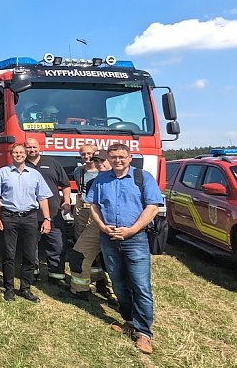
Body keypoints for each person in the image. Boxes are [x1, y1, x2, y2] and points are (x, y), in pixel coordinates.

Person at [86, 143, 162, 355]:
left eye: (121, 157)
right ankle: (129, 321)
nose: (117, 160)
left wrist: (132, 230)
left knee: (140, 285)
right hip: (109, 239)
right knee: (118, 282)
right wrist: (102, 226)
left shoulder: (142, 177)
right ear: (108, 159)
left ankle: (144, 333)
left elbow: (153, 206)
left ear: (129, 158)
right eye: (113, 157)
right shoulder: (101, 179)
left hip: (135, 239)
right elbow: (93, 205)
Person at [0, 143, 52, 303]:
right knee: (9, 255)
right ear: (11, 155)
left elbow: (43, 198)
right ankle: (9, 288)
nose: (18, 155)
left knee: (30, 255)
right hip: (8, 217)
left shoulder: (35, 174)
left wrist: (47, 219)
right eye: (15, 152)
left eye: (21, 152)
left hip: (30, 218)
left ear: (26, 155)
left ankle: (25, 288)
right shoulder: (2, 173)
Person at [67, 150, 116, 304]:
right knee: (78, 254)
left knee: (114, 261)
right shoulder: (95, 181)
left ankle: (115, 292)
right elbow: (92, 204)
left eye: (103, 161)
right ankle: (80, 291)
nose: (99, 164)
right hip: (97, 224)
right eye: (97, 161)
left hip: (120, 227)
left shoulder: (129, 179)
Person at [24, 138, 71, 286]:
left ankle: (56, 276)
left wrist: (67, 201)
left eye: (34, 147)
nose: (32, 150)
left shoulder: (52, 163)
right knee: (30, 246)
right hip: (30, 213)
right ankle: (33, 274)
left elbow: (65, 184)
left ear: (39, 148)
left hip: (53, 213)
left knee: (57, 245)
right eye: (29, 147)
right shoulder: (21, 164)